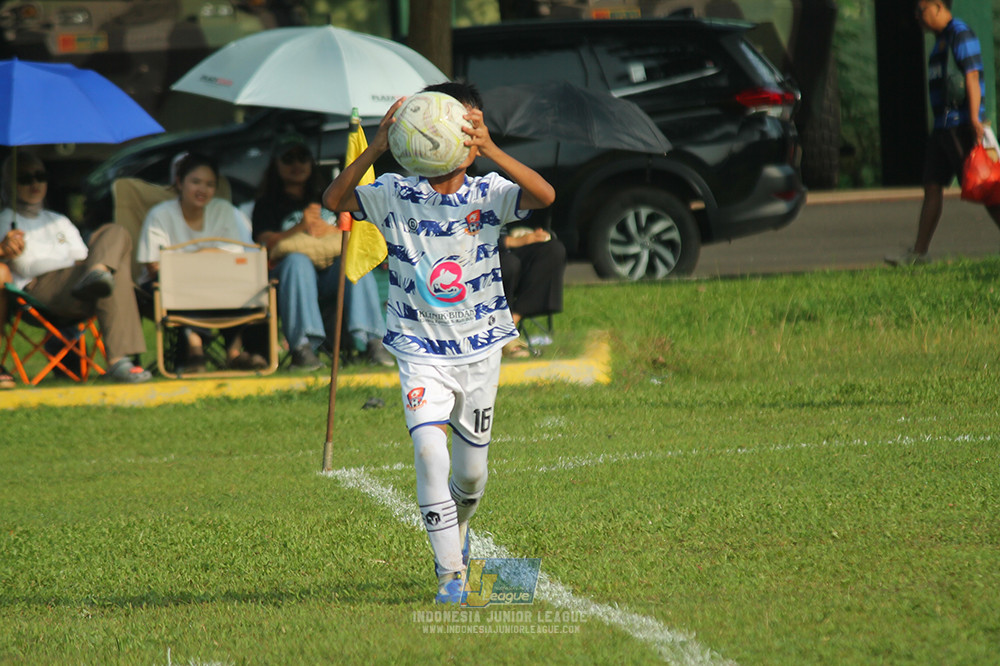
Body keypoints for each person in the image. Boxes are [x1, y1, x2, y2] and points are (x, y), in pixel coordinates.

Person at [323, 81, 555, 604]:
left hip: (480, 349)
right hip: (417, 347)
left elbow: (544, 197)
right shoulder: (395, 194)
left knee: (471, 476)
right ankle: (450, 574)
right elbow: (332, 201)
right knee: (431, 454)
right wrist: (378, 148)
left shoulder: (489, 191)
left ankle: (460, 526)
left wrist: (492, 150)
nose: (456, 134)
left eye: (469, 126)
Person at [0, 150, 151, 383]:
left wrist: (90, 265)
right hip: (40, 292)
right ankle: (119, 361)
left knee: (114, 233)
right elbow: (30, 266)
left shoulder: (58, 219)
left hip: (78, 284)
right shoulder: (6, 219)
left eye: (41, 176)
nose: (35, 183)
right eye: (25, 178)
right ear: (10, 184)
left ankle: (119, 361)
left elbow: (82, 256)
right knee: (108, 273)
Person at [251, 134, 391, 369]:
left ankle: (373, 340)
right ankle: (302, 347)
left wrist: (328, 230)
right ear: (276, 164)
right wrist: (300, 227)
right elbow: (265, 245)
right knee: (297, 261)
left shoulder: (328, 195)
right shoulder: (266, 202)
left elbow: (347, 233)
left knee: (352, 261)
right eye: (288, 158)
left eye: (302, 157)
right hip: (288, 278)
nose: (296, 164)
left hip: (329, 274)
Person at [886, 0, 1000, 266]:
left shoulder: (960, 33)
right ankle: (919, 252)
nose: (918, 17)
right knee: (932, 186)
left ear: (938, 6)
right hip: (942, 129)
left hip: (960, 126)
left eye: (922, 9)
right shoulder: (940, 41)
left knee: (984, 189)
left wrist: (973, 118)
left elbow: (971, 75)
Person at [136, 152, 264, 372]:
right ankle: (195, 346)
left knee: (245, 283)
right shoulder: (159, 216)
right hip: (170, 288)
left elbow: (235, 258)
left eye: (210, 184)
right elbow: (154, 266)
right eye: (195, 182)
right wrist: (208, 254)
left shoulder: (223, 210)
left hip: (220, 283)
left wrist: (189, 259)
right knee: (180, 284)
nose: (202, 190)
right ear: (179, 182)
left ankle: (234, 352)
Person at [498, 226, 566, 358]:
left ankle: (509, 327)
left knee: (553, 250)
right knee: (509, 264)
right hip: (475, 254)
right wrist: (510, 241)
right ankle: (502, 333)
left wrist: (535, 235)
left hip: (507, 247)